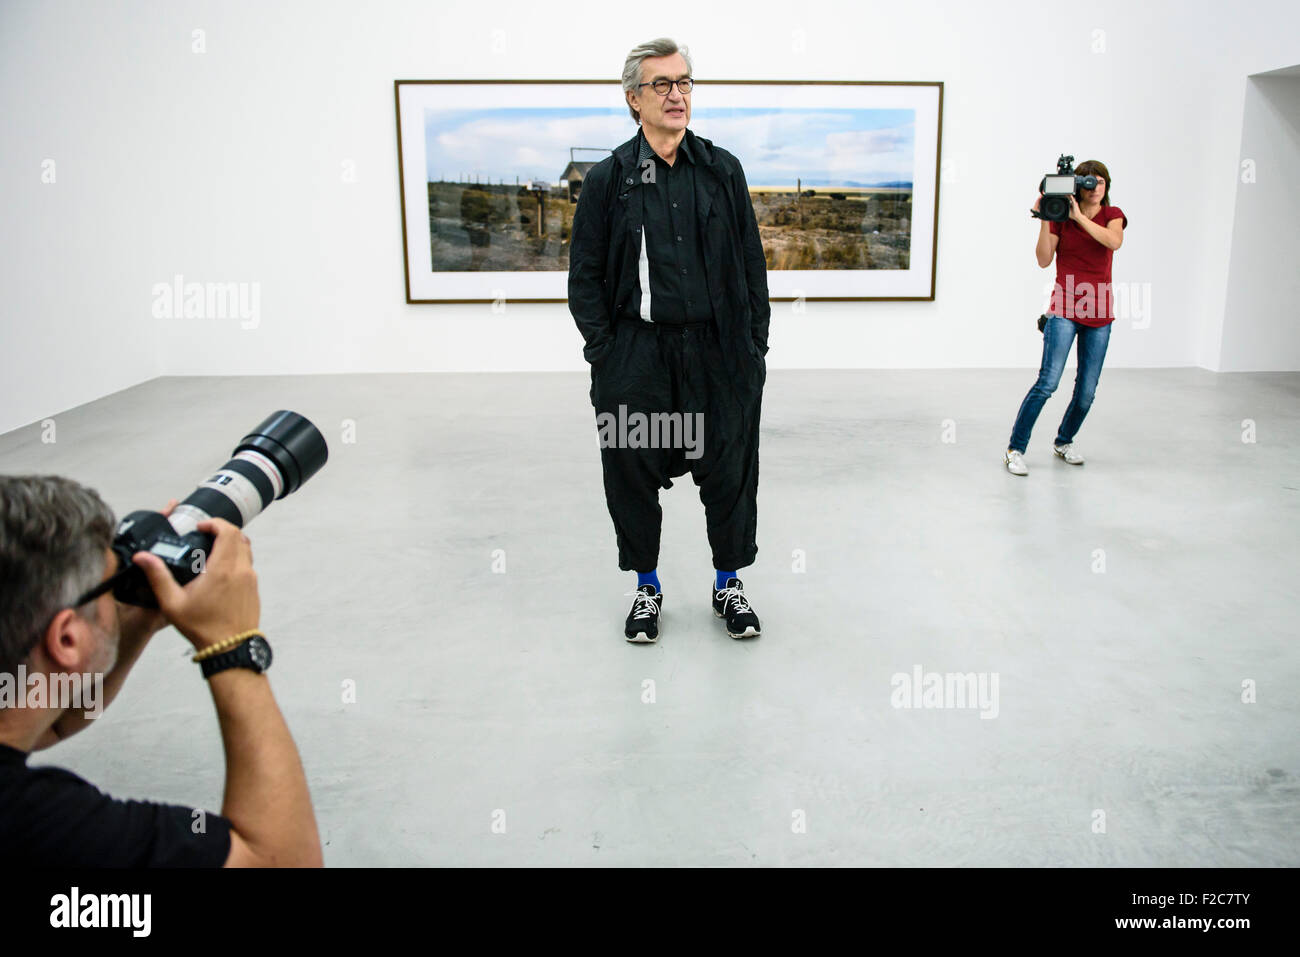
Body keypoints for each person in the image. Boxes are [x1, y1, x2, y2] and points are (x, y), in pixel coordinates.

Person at [0, 475, 322, 866]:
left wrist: (140, 620)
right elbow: (283, 860)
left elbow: (49, 727)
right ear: (67, 639)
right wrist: (230, 643)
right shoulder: (44, 826)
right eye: (110, 587)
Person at [568, 37, 769, 643]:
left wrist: (753, 348)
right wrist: (606, 353)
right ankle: (647, 588)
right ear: (634, 99)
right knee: (630, 468)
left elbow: (751, 264)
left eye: (684, 82)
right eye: (662, 84)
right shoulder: (610, 179)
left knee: (730, 467)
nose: (677, 94)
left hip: (718, 354)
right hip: (638, 356)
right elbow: (584, 276)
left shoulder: (721, 169)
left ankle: (728, 582)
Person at [1006, 160, 1127, 475]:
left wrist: (1078, 217)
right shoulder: (1061, 219)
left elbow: (1113, 241)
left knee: (1086, 391)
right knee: (1048, 382)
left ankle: (1064, 440)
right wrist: (1047, 217)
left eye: (1100, 181)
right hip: (1064, 307)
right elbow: (1044, 260)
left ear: (1107, 186)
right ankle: (1015, 449)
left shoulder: (1112, 216)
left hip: (1099, 312)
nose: (1095, 187)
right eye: (1088, 182)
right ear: (1077, 186)